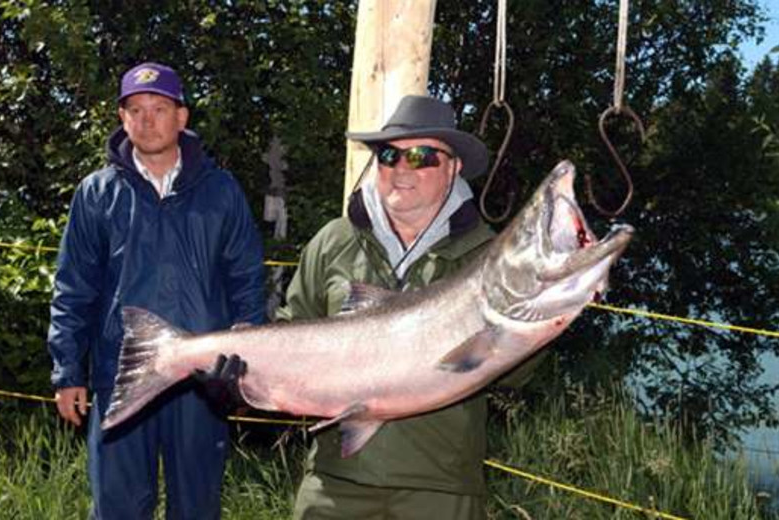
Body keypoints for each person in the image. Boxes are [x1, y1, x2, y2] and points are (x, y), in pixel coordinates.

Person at [275, 95, 544, 520]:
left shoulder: (490, 259)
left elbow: (515, 376)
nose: (402, 168)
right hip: (334, 481)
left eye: (421, 156)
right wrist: (231, 381)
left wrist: (542, 318)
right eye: (389, 154)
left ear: (453, 167)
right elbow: (290, 332)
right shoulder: (332, 241)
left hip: (440, 485)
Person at [47, 62, 266, 519]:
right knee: (119, 508)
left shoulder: (221, 191)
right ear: (122, 118)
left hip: (202, 380)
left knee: (197, 508)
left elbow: (246, 280)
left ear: (181, 117)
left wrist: (246, 370)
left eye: (159, 108)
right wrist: (68, 370)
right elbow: (74, 288)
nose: (147, 120)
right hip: (122, 374)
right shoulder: (96, 193)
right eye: (136, 110)